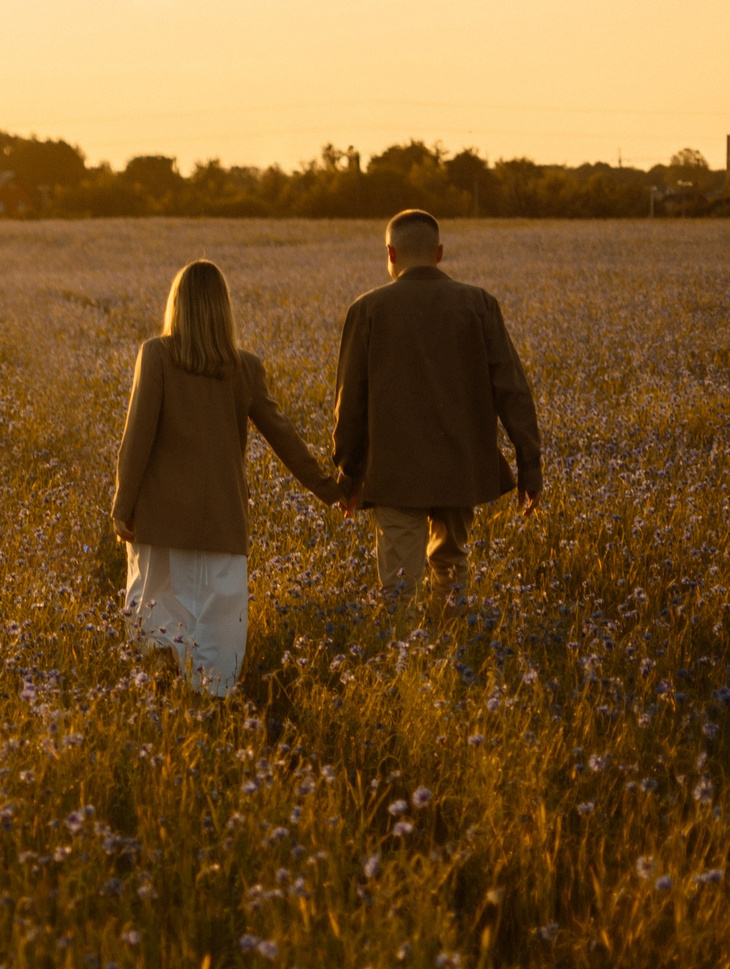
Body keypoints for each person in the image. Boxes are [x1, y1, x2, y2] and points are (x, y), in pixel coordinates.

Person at [112, 259, 344, 696]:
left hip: (160, 518)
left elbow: (136, 438)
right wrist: (330, 490)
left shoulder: (156, 355)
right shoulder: (244, 367)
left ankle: (160, 701)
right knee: (218, 631)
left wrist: (122, 506)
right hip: (222, 520)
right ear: (224, 308)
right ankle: (213, 705)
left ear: (177, 305)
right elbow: (284, 436)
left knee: (155, 621)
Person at [332, 209, 543, 592]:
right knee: (451, 566)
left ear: (391, 253)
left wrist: (348, 473)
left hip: (394, 473)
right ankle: (453, 627)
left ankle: (405, 634)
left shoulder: (368, 309)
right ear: (440, 252)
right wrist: (530, 466)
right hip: (460, 468)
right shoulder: (479, 304)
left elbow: (350, 403)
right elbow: (513, 391)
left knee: (399, 585)